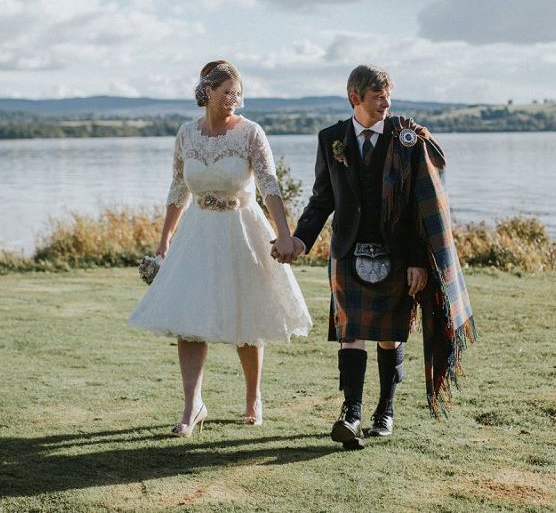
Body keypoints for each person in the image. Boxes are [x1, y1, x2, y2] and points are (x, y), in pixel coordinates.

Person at [272, 64, 476, 450]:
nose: (386, 103)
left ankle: (386, 409)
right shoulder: (331, 138)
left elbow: (420, 203)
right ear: (355, 98)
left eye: (388, 95)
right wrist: (300, 240)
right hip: (347, 251)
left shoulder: (406, 139)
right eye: (378, 96)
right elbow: (322, 200)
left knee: (389, 337)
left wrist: (418, 260)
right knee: (350, 333)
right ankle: (351, 412)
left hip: (397, 255)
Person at [128, 60, 312, 437]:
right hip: (197, 232)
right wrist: (164, 241)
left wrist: (284, 234)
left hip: (242, 228)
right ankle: (193, 405)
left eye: (238, 92)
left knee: (248, 315)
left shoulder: (251, 133)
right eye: (227, 91)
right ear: (207, 92)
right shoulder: (186, 135)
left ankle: (253, 399)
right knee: (189, 319)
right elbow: (177, 191)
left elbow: (270, 186)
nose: (234, 98)